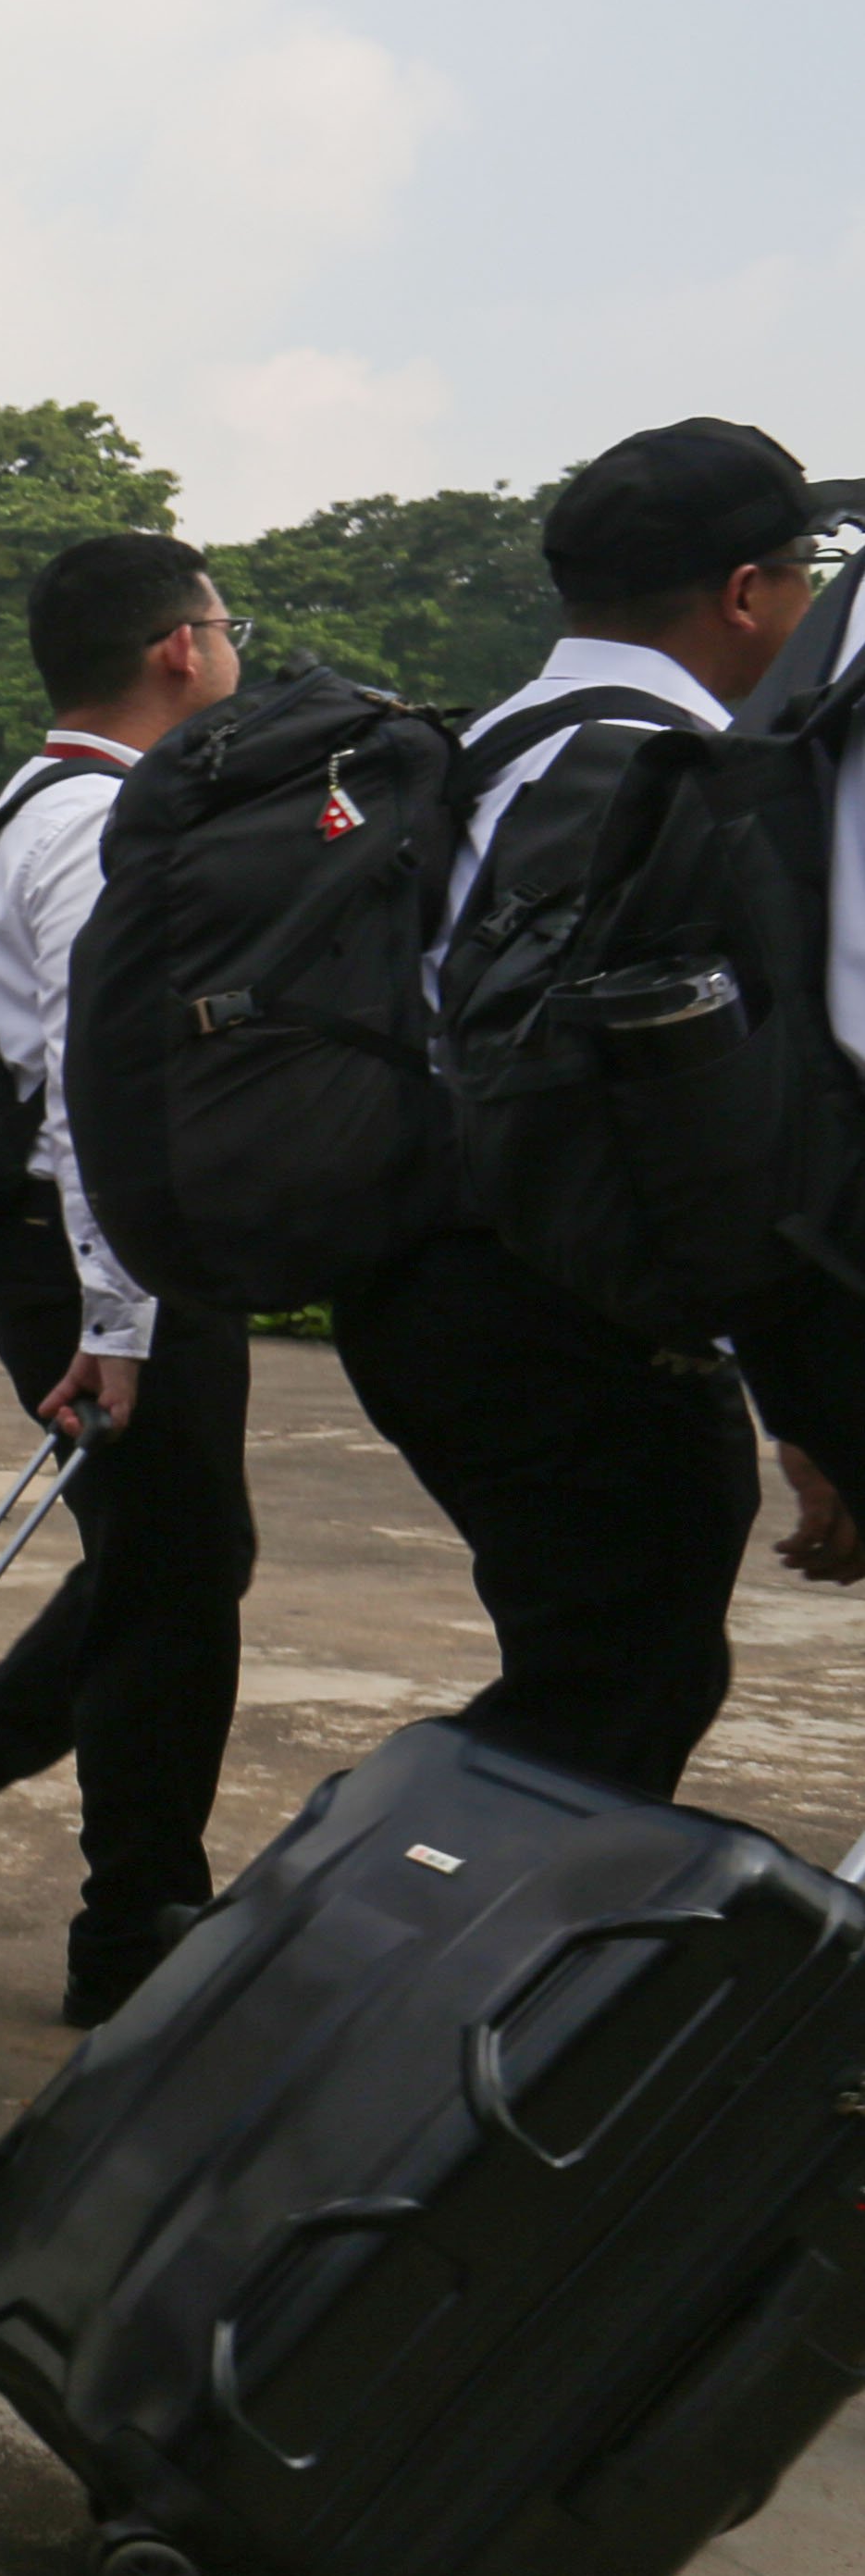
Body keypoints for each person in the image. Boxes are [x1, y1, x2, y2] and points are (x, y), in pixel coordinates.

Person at [333, 429, 816, 1802]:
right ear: (742, 594)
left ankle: (391, 1954)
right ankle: (342, 1944)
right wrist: (810, 1400)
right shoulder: (685, 781)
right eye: (803, 574)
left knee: (612, 1669)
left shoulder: (474, 748)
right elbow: (704, 1119)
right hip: (559, 1312)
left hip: (418, 1288)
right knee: (613, 1688)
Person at [0, 534, 263, 2027]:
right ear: (176, 650)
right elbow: (103, 1089)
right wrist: (122, 1314)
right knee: (175, 1583)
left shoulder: (45, 804)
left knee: (172, 1560)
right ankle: (133, 1926)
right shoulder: (97, 822)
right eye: (224, 627)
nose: (232, 652)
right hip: (97, 1251)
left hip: (74, 1250)